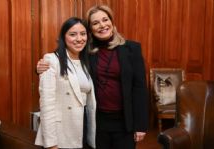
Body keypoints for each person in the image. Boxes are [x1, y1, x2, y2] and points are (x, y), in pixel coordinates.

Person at [37, 5, 149, 149]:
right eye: (95, 23)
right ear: (90, 29)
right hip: (96, 122)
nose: (102, 25)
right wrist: (40, 67)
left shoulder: (132, 48)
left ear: (112, 22)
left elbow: (139, 88)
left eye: (105, 20)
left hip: (125, 122)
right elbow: (63, 61)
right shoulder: (86, 50)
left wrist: (141, 125)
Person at [35, 17, 96, 149]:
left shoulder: (86, 61)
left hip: (82, 124)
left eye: (83, 34)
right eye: (73, 34)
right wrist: (51, 144)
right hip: (61, 131)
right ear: (63, 37)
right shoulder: (51, 60)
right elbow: (47, 104)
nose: (79, 39)